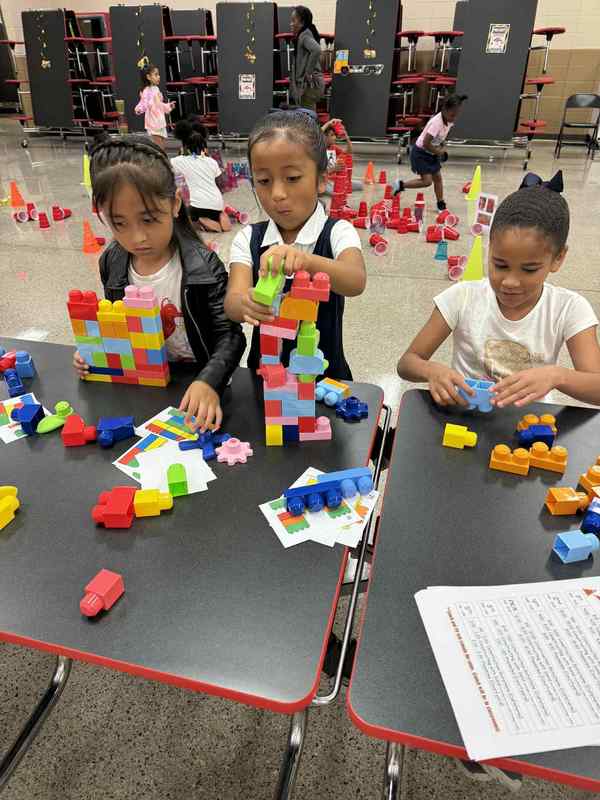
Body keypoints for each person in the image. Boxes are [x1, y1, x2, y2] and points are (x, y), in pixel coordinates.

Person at [73, 134, 246, 431]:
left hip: (199, 379)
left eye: (149, 219)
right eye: (119, 224)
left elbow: (231, 336)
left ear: (175, 204)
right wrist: (98, 348)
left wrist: (209, 381)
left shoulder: (203, 266)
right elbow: (118, 322)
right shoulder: (113, 263)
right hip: (148, 381)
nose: (137, 237)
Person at [397, 172, 600, 408]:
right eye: (500, 265)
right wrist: (431, 370)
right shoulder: (462, 297)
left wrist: (557, 376)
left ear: (558, 258)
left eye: (529, 269)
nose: (510, 282)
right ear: (489, 247)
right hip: (466, 415)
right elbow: (407, 363)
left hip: (529, 424)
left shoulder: (569, 308)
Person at [224, 110, 366, 381]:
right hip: (265, 376)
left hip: (325, 376)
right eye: (264, 181)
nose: (277, 194)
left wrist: (306, 260)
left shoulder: (337, 232)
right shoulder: (249, 238)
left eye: (292, 178)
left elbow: (355, 280)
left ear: (321, 179)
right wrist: (245, 303)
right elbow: (232, 301)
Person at [393, 94, 467, 212]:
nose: (454, 118)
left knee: (438, 178)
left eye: (456, 115)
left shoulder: (448, 120)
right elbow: (426, 143)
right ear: (444, 110)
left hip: (431, 152)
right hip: (420, 153)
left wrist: (442, 147)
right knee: (427, 181)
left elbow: (441, 137)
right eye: (452, 115)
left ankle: (440, 203)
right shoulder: (436, 123)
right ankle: (401, 185)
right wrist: (439, 152)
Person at [171, 119, 231, 233]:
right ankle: (219, 216)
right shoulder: (211, 161)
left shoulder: (180, 161)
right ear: (204, 146)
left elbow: (166, 164)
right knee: (215, 209)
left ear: (187, 148)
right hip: (217, 204)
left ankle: (200, 221)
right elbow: (222, 183)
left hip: (197, 207)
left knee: (184, 217)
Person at [289, 6, 324, 111]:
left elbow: (317, 50)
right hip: (310, 85)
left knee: (307, 118)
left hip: (309, 86)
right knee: (308, 116)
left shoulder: (304, 35)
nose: (291, 24)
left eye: (293, 21)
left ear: (302, 22)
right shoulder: (305, 34)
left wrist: (308, 73)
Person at [134, 63, 175, 150]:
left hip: (160, 121)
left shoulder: (156, 89)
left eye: (158, 74)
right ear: (148, 77)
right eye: (156, 75)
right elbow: (143, 104)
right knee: (159, 148)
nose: (159, 77)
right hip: (153, 122)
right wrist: (139, 109)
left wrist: (168, 106)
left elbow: (160, 105)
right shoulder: (146, 91)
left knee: (162, 147)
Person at [321, 117, 361, 193]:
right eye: (332, 135)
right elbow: (318, 173)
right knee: (333, 191)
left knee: (360, 185)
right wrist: (329, 123)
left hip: (336, 179)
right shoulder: (319, 149)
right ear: (324, 137)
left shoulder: (334, 148)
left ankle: (341, 186)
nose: (335, 137)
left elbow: (349, 152)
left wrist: (346, 137)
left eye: (335, 135)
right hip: (325, 180)